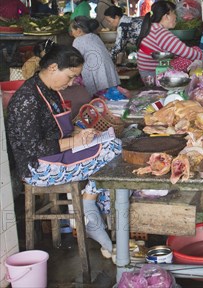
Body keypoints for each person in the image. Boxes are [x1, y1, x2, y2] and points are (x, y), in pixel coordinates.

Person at [6, 43, 121, 258]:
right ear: (52, 68)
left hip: (57, 154)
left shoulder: (49, 91)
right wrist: (74, 142)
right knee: (112, 150)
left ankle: (92, 207)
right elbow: (34, 148)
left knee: (113, 144)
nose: (71, 83)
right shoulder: (28, 99)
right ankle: (90, 207)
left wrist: (81, 132)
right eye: (69, 77)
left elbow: (58, 129)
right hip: (38, 168)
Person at [136, 1, 203, 83]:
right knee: (190, 58)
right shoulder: (160, 33)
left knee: (195, 50)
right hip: (153, 75)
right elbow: (188, 53)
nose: (176, 17)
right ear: (166, 16)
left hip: (147, 72)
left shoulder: (153, 28)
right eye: (174, 13)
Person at [70, 17, 120, 95]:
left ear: (79, 30)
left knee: (98, 97)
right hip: (107, 70)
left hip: (95, 71)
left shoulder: (78, 40)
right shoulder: (95, 36)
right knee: (109, 95)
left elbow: (75, 60)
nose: (72, 33)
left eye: (72, 31)